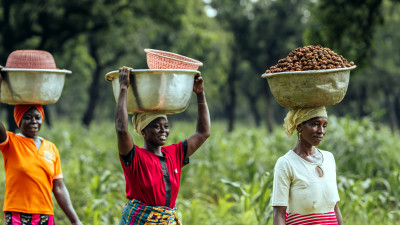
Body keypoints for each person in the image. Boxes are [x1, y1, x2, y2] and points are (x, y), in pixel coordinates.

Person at [115, 66, 210, 225]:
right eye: (156, 126)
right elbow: (121, 130)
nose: (163, 130)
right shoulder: (135, 157)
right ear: (143, 131)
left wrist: (200, 94)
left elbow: (203, 133)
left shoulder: (174, 153)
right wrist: (123, 88)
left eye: (165, 126)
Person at [0, 74, 82, 225]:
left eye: (37, 117)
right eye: (27, 117)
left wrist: (75, 220)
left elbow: (59, 188)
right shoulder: (10, 142)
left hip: (44, 215)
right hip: (17, 214)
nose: (33, 122)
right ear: (19, 121)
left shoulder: (51, 148)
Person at [271, 106, 343, 225]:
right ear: (299, 126)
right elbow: (279, 214)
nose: (321, 131)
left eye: (324, 126)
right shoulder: (286, 163)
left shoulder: (329, 159)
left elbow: (335, 208)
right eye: (315, 124)